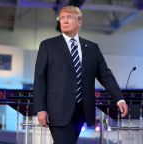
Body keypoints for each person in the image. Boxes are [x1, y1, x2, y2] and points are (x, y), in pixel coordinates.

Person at [33, 6, 128, 144]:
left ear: (79, 22)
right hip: (57, 110)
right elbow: (40, 79)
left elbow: (105, 75)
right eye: (62, 18)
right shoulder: (48, 46)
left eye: (69, 17)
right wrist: (40, 109)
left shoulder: (92, 48)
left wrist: (119, 99)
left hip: (82, 110)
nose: (64, 21)